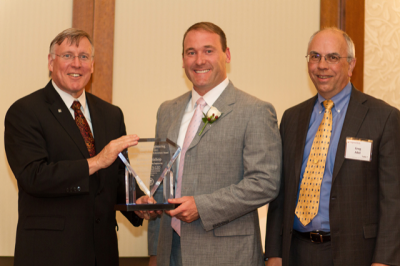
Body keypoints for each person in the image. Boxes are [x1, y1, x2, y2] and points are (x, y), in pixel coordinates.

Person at [4, 28, 153, 266]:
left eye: (84, 56)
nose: (77, 64)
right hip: (49, 254)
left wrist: (138, 203)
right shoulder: (25, 112)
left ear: (92, 65)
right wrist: (96, 162)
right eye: (67, 56)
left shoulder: (111, 114)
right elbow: (33, 177)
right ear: (51, 62)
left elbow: (117, 177)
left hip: (102, 253)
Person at [147, 22, 282, 266]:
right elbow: (160, 180)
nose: (199, 60)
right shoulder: (167, 111)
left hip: (228, 254)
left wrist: (202, 206)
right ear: (183, 59)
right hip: (171, 251)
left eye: (208, 50)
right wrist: (150, 211)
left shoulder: (254, 111)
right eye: (191, 52)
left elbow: (265, 183)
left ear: (226, 55)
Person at [265, 27, 400, 266]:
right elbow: (281, 193)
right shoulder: (292, 118)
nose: (322, 65)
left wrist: (385, 261)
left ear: (350, 65)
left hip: (356, 254)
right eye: (315, 56)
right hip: (296, 252)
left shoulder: (384, 118)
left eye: (332, 57)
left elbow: (393, 200)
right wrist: (274, 252)